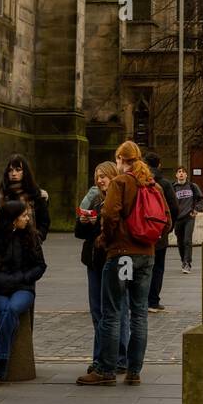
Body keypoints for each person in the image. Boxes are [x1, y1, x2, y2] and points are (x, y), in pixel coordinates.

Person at [76, 146, 169, 387]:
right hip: (146, 256)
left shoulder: (120, 183)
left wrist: (105, 239)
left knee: (112, 312)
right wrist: (150, 240)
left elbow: (108, 214)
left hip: (121, 255)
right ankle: (133, 371)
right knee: (139, 314)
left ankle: (106, 369)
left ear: (120, 160)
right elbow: (167, 220)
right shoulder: (153, 185)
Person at [0, 199, 46, 386]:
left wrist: (21, 278)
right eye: (24, 215)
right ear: (13, 219)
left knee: (12, 309)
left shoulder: (31, 236)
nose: (27, 219)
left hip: (23, 289)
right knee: (4, 308)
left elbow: (39, 266)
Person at [74, 162, 130, 373]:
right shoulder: (95, 200)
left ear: (113, 176)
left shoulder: (122, 201)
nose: (99, 180)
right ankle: (100, 357)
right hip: (94, 261)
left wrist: (102, 224)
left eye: (103, 176)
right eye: (97, 176)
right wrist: (84, 222)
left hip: (117, 261)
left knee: (119, 310)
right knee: (97, 311)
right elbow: (79, 233)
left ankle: (120, 358)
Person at [143, 149, 179, 312]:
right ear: (159, 164)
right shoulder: (164, 184)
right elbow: (174, 207)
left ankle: (139, 299)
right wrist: (168, 228)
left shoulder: (138, 181)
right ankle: (153, 301)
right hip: (159, 233)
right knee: (158, 267)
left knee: (143, 267)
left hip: (141, 232)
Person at [0, 156, 50, 241]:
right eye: (10, 170)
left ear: (25, 172)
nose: (13, 173)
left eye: (18, 170)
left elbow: (44, 221)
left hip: (29, 243)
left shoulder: (37, 194)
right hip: (2, 243)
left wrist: (38, 238)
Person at [172, 167, 203, 270]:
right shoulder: (173, 187)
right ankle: (183, 260)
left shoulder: (192, 186)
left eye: (183, 172)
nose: (181, 174)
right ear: (176, 175)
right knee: (180, 241)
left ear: (186, 175)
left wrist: (196, 209)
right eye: (179, 172)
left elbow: (201, 199)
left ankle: (187, 263)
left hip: (189, 217)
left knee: (187, 240)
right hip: (177, 218)